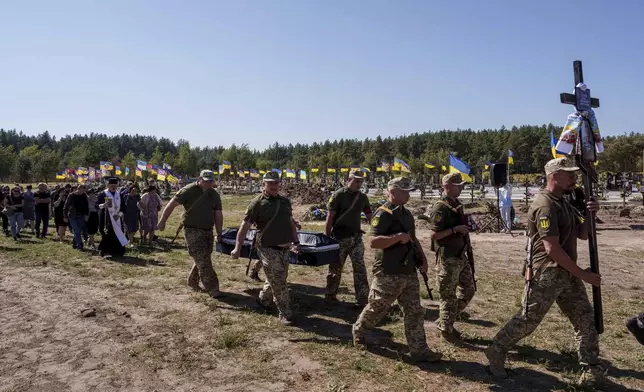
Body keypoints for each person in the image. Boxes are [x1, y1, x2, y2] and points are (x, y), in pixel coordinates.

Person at [485, 157, 604, 386]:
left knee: (585, 319)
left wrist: (590, 215)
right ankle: (496, 350)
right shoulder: (545, 204)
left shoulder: (563, 201)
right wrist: (583, 274)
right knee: (527, 321)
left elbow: (581, 234)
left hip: (567, 272)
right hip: (547, 273)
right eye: (569, 174)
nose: (574, 178)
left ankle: (591, 370)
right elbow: (552, 249)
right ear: (554, 176)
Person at [352, 177, 441, 363]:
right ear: (392, 192)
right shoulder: (382, 214)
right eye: (405, 190)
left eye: (409, 190)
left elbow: (413, 239)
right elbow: (373, 242)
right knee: (378, 308)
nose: (409, 193)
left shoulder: (406, 214)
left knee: (415, 311)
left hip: (408, 270)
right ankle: (359, 331)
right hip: (388, 272)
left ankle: (419, 350)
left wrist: (423, 259)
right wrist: (396, 237)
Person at [231, 171, 300, 325]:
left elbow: (290, 222)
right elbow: (244, 226)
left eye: (276, 183)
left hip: (285, 248)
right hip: (267, 248)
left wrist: (296, 242)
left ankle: (263, 301)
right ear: (263, 185)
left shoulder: (285, 202)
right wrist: (237, 247)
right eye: (270, 183)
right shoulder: (257, 203)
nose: (274, 186)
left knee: (275, 278)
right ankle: (285, 313)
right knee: (280, 281)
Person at [158, 170, 223, 297]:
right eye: (206, 180)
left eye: (211, 181)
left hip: (208, 230)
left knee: (203, 257)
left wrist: (220, 233)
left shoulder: (214, 195)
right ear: (199, 178)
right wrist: (162, 221)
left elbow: (218, 214)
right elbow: (172, 204)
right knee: (203, 259)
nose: (208, 183)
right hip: (192, 229)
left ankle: (192, 281)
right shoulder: (188, 190)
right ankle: (213, 287)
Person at [428, 173, 476, 342]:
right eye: (458, 185)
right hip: (447, 257)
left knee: (469, 290)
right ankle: (446, 330)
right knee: (448, 296)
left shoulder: (456, 204)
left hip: (460, 254)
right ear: (447, 187)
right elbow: (434, 235)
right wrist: (455, 230)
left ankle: (445, 320)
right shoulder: (440, 207)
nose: (461, 188)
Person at [324, 169, 373, 306]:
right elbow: (330, 218)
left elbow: (369, 216)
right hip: (339, 238)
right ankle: (330, 295)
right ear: (349, 180)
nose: (359, 184)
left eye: (361, 181)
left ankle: (362, 299)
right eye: (356, 181)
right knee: (335, 268)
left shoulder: (363, 198)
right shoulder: (339, 195)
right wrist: (327, 240)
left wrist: (378, 229)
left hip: (356, 238)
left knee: (360, 269)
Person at [98, 178, 128, 257]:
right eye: (112, 186)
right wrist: (103, 205)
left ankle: (117, 251)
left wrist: (119, 215)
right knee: (107, 234)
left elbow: (124, 207)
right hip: (106, 218)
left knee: (117, 234)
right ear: (108, 185)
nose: (113, 187)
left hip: (117, 218)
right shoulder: (103, 194)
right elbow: (96, 205)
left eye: (115, 186)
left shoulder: (119, 194)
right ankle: (106, 252)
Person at [64, 184, 89, 251]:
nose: (81, 191)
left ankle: (74, 244)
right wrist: (65, 216)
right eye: (80, 189)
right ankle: (80, 245)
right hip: (72, 216)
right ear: (78, 189)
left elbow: (86, 206)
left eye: (83, 189)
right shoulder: (71, 195)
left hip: (81, 216)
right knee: (77, 231)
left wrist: (86, 215)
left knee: (77, 231)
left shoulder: (84, 196)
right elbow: (66, 206)